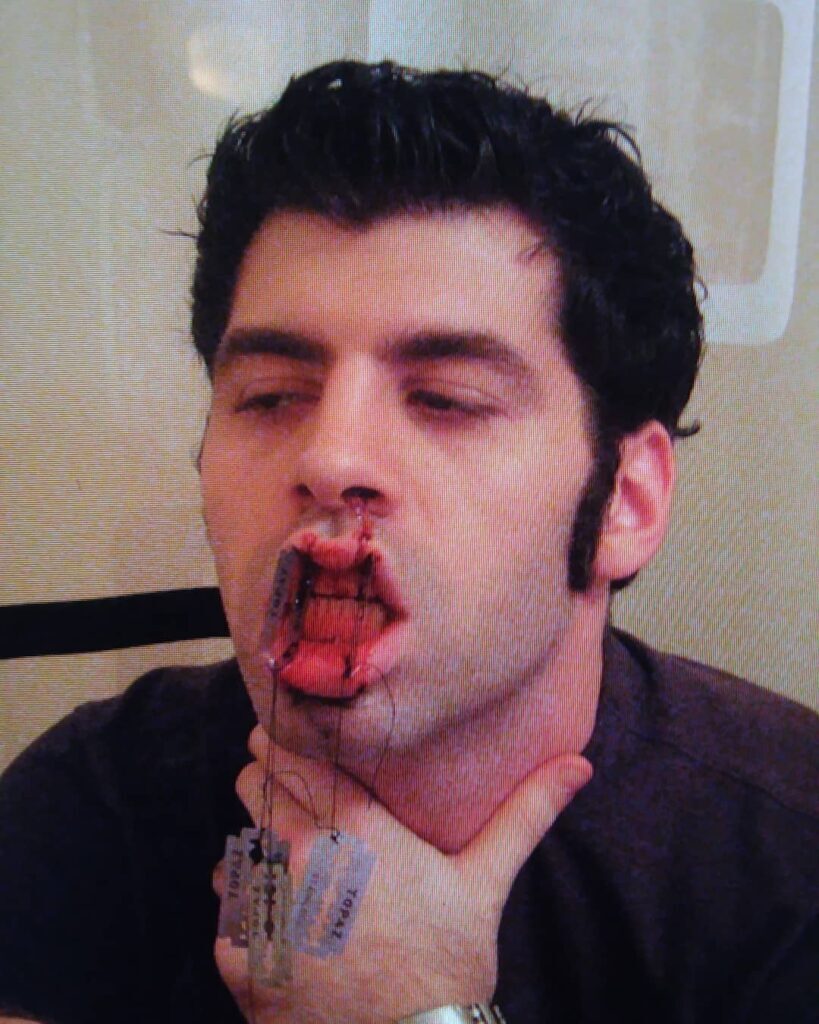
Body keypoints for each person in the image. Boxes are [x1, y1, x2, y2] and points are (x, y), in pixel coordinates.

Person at [0, 60, 817, 1024]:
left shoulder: (784, 864)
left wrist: (421, 1013)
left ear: (622, 503)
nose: (330, 457)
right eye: (270, 397)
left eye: (446, 399)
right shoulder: (96, 799)